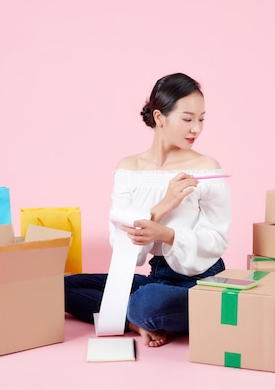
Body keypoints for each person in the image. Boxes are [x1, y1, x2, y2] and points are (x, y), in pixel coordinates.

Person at [64, 72, 231, 347]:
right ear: (159, 117)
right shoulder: (129, 170)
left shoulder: (207, 169)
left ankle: (144, 315)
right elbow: (122, 246)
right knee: (63, 287)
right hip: (158, 275)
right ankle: (135, 322)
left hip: (200, 279)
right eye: (188, 119)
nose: (196, 129)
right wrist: (162, 207)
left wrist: (166, 234)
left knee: (146, 302)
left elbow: (217, 240)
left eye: (201, 119)